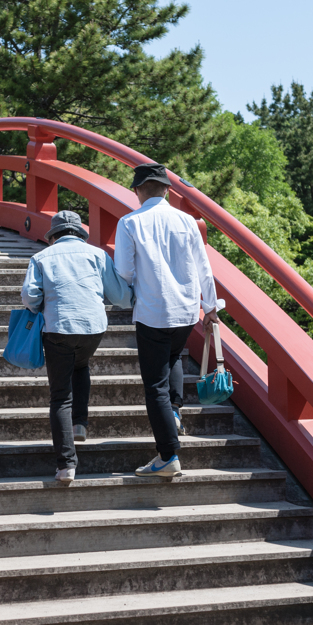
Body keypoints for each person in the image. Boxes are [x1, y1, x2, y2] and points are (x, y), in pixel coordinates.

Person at [114, 163, 219, 478]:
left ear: (137, 191)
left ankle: (167, 455)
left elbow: (124, 272)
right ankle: (173, 412)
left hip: (153, 311)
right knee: (174, 357)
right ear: (167, 190)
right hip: (186, 311)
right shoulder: (187, 221)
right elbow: (204, 267)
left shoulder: (130, 223)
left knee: (154, 385)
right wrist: (210, 307)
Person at [21, 210, 134, 483]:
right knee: (81, 364)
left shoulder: (40, 258)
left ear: (53, 237)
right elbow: (119, 296)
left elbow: (29, 296)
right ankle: (79, 423)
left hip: (58, 329)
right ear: (80, 234)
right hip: (93, 328)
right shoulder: (97, 255)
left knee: (60, 396)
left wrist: (40, 306)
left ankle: (66, 466)